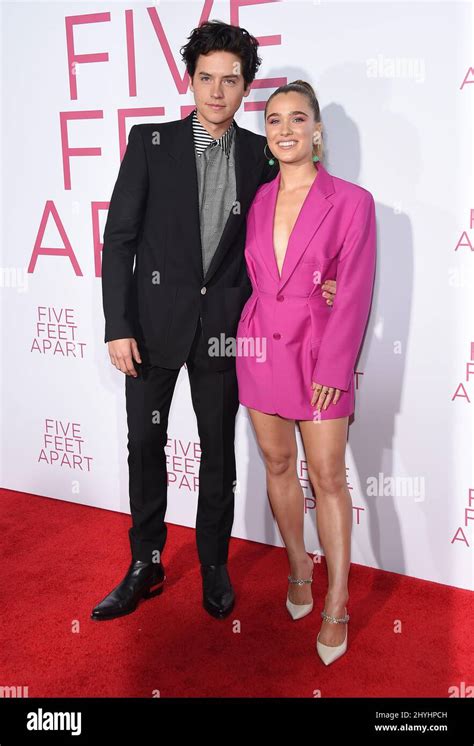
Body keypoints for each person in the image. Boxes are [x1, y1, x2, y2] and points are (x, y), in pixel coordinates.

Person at [91, 23, 338, 622]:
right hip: (150, 327)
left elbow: (286, 231)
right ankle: (144, 563)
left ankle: (213, 564)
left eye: (231, 80)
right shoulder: (150, 142)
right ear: (190, 80)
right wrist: (117, 324)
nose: (217, 92)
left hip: (228, 331)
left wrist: (321, 283)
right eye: (207, 78)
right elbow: (119, 238)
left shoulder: (262, 153)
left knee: (217, 453)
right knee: (144, 444)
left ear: (246, 86)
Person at [235, 80, 376, 664]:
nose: (286, 129)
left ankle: (337, 600)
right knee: (275, 464)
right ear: (266, 134)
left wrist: (337, 366)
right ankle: (298, 566)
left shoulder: (351, 201)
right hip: (260, 345)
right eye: (274, 120)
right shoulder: (257, 197)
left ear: (317, 130)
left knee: (328, 476)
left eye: (298, 118)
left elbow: (356, 290)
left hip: (320, 354)